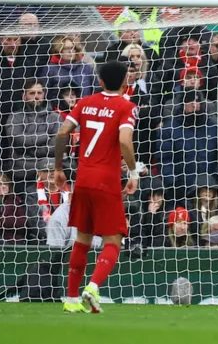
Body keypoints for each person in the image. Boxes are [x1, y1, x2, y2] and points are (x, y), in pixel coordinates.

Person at [54, 61, 139, 314]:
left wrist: (59, 168)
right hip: (106, 182)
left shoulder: (84, 102)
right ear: (126, 82)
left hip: (83, 180)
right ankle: (92, 287)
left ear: (100, 81)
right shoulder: (127, 106)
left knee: (82, 239)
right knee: (114, 240)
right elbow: (124, 140)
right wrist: (133, 172)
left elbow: (62, 134)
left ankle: (70, 300)